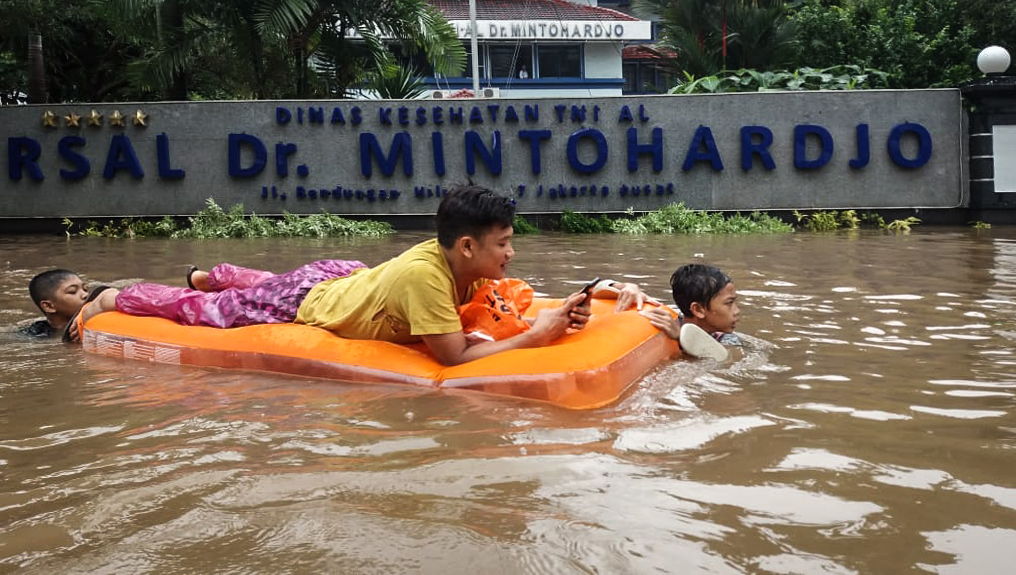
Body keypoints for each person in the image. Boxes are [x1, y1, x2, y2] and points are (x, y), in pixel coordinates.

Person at [67, 185, 596, 366]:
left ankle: (213, 273)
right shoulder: (426, 278)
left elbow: (500, 310)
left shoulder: (467, 264)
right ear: (467, 246)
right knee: (211, 312)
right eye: (503, 243)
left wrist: (563, 311)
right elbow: (453, 357)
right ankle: (117, 297)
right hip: (311, 298)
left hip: (348, 277)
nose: (511, 252)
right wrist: (537, 336)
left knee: (270, 281)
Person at [639, 264, 741, 361]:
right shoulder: (669, 320)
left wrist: (681, 338)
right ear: (698, 310)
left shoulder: (728, 340)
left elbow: (726, 361)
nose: (737, 311)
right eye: (729, 303)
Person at [20, 269, 91, 338]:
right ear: (49, 306)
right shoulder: (36, 338)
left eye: (85, 289)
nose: (86, 295)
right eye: (72, 291)